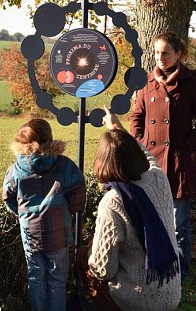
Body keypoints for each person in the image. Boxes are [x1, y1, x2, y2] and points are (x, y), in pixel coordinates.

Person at [129, 30, 196, 281]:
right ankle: (154, 274)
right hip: (150, 164)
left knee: (179, 225)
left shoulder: (192, 82)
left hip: (178, 163)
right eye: (156, 52)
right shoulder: (147, 82)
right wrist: (139, 145)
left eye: (165, 53)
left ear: (179, 54)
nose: (160, 57)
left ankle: (180, 276)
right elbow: (137, 116)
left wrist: (189, 145)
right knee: (150, 222)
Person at [76, 108, 181, 310]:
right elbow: (147, 155)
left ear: (102, 163)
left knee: (83, 259)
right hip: (171, 293)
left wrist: (88, 252)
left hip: (138, 301)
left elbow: (103, 269)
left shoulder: (113, 202)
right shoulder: (158, 178)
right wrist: (117, 127)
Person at [3, 118, 86, 311]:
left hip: (30, 234)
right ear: (49, 138)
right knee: (57, 281)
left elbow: (8, 199)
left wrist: (23, 215)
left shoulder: (15, 170)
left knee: (35, 279)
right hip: (58, 233)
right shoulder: (64, 166)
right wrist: (67, 212)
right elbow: (78, 194)